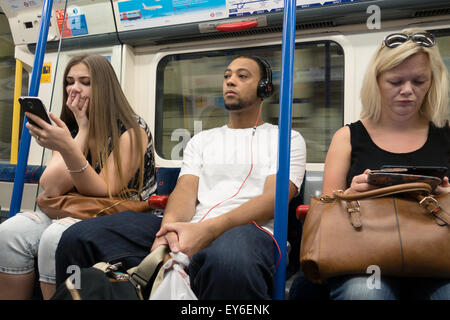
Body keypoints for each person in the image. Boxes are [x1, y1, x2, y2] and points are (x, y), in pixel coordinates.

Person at [54, 56, 307, 299]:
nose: (230, 81)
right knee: (78, 237)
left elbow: (274, 199)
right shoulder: (203, 140)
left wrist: (207, 230)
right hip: (192, 223)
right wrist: (169, 228)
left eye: (242, 76)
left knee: (228, 261)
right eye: (227, 75)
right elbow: (185, 190)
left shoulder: (286, 138)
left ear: (264, 89)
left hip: (252, 230)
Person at [0, 54, 156, 300]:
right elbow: (51, 188)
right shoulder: (71, 128)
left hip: (121, 215)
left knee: (55, 237)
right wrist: (80, 132)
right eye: (70, 81)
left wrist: (69, 148)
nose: (75, 89)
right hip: (77, 209)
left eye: (85, 82)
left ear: (104, 87)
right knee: (10, 233)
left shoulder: (132, 129)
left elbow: (104, 189)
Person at [322, 29, 450, 300]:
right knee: (364, 295)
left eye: (419, 81)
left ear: (432, 82)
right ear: (377, 81)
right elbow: (324, 212)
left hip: (437, 258)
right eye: (395, 81)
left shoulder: (446, 135)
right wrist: (349, 195)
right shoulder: (346, 138)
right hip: (366, 257)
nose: (407, 91)